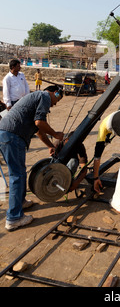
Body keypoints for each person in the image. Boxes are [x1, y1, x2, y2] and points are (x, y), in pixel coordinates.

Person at [0, 85, 64, 231]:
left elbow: (39, 132)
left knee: (20, 173)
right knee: (17, 175)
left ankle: (20, 203)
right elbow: (39, 123)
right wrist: (55, 135)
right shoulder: (45, 96)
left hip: (7, 134)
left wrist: (50, 146)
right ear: (56, 92)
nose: (55, 104)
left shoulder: (36, 98)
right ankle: (14, 218)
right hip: (13, 135)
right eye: (58, 99)